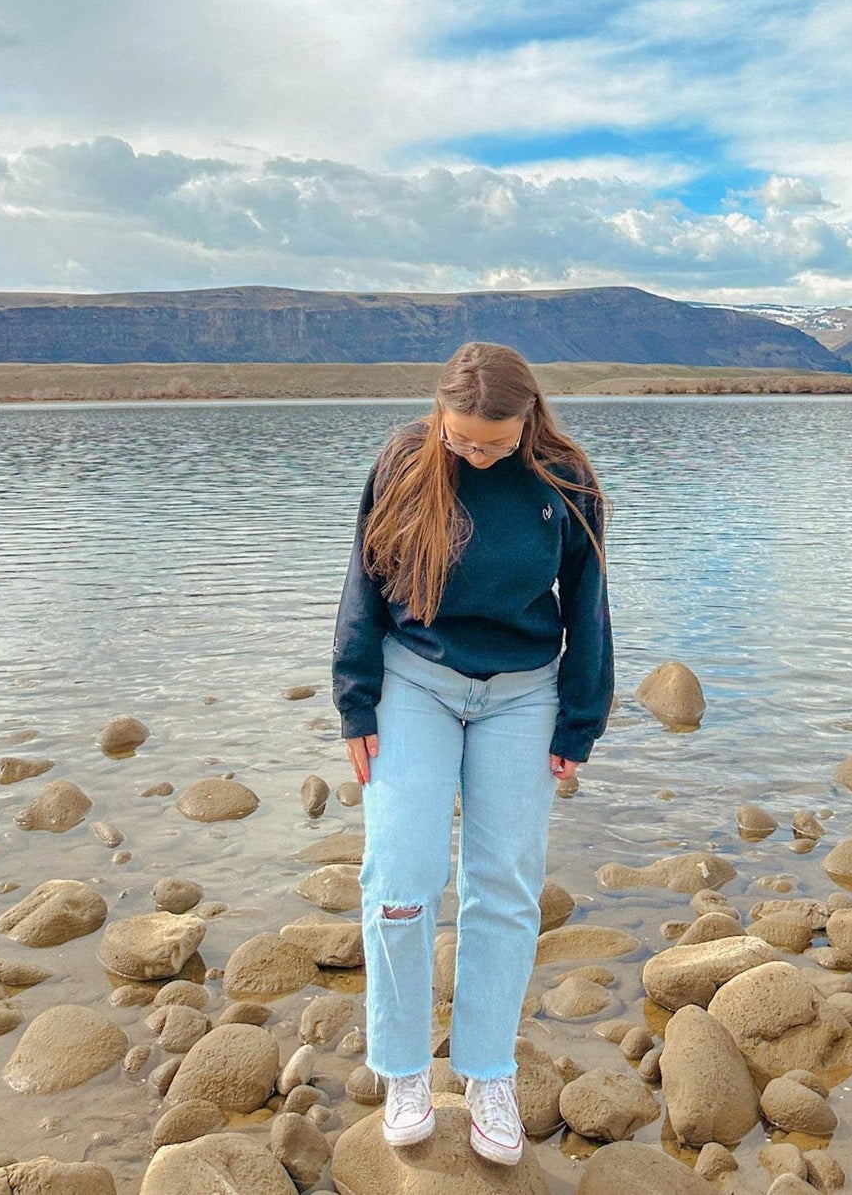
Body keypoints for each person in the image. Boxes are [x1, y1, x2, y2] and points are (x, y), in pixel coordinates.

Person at [332, 341, 613, 1166]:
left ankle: (487, 1070)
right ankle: (406, 1069)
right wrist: (354, 699)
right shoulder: (404, 460)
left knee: (504, 886)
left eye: (489, 442)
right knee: (400, 875)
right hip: (412, 681)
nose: (474, 454)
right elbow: (362, 580)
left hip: (524, 693)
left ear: (526, 420)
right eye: (461, 440)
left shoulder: (565, 479)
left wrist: (579, 721)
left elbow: (587, 602)